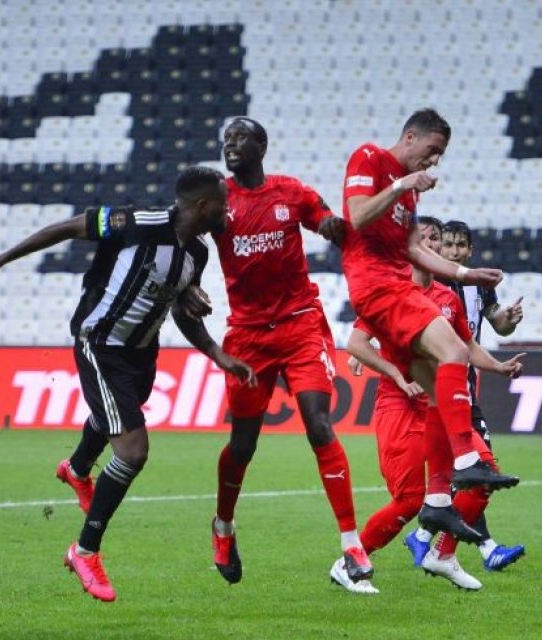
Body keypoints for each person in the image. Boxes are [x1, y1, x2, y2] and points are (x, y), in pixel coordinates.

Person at [0, 166, 256, 602]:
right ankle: (84, 551)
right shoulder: (135, 223)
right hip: (100, 342)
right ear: (201, 206)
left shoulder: (197, 252)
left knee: (120, 412)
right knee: (133, 451)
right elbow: (66, 228)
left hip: (142, 351)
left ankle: (78, 468)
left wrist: (215, 353)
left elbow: (181, 310)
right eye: (222, 203)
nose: (227, 210)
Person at [180, 117, 371, 593]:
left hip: (300, 323)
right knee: (243, 445)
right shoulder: (218, 202)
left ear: (261, 146)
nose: (231, 145)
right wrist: (187, 288)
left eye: (241, 138)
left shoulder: (289, 192)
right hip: (247, 335)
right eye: (226, 139)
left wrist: (331, 226)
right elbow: (180, 241)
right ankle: (222, 527)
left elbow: (324, 218)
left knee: (318, 422)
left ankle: (351, 542)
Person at [340, 108, 519, 500]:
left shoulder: (412, 191)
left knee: (438, 390)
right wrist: (400, 184)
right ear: (410, 137)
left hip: (392, 284)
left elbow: (412, 249)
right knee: (454, 349)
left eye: (440, 154)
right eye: (433, 149)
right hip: (378, 284)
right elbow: (356, 217)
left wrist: (466, 274)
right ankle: (466, 460)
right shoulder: (369, 158)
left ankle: (438, 499)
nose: (435, 159)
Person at [347, 216, 525, 591]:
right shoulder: (389, 291)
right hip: (401, 404)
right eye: (425, 240)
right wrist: (396, 374)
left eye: (435, 240)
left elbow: (466, 346)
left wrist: (497, 367)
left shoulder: (447, 297)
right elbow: (357, 343)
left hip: (440, 404)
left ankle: (442, 554)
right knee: (409, 500)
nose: (432, 246)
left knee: (483, 476)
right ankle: (350, 561)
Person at [402, 219, 526, 572]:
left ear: (470, 250)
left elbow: (495, 324)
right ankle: (482, 549)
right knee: (479, 471)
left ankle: (426, 538)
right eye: (447, 244)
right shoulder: (432, 282)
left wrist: (510, 320)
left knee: (476, 474)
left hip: (466, 388)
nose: (452, 250)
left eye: (460, 246)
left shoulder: (478, 289)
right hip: (444, 389)